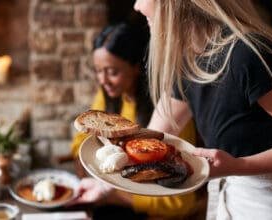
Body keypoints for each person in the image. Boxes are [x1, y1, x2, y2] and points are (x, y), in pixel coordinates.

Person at [132, 0, 272, 219]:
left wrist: (237, 165)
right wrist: (104, 180)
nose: (137, 5)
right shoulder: (190, 56)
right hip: (233, 193)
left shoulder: (252, 55)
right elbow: (154, 137)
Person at [68, 23, 199, 219]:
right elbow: (81, 141)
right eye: (98, 71)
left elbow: (179, 203)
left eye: (112, 72)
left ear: (137, 67)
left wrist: (111, 195)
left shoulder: (169, 111)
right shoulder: (109, 95)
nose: (103, 81)